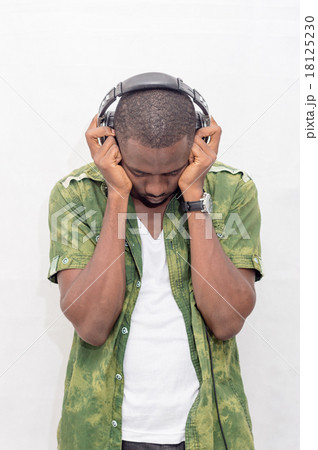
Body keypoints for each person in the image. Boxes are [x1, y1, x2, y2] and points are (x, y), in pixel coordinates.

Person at [47, 87, 263, 450]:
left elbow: (226, 322)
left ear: (198, 143)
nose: (157, 186)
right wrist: (117, 195)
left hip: (206, 432)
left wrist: (195, 197)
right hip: (104, 434)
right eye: (140, 171)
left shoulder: (231, 190)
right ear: (111, 145)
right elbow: (92, 326)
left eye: (172, 171)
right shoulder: (77, 196)